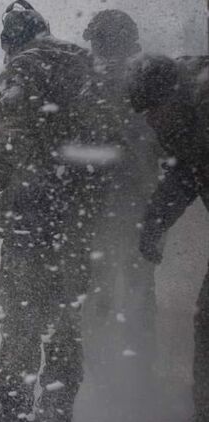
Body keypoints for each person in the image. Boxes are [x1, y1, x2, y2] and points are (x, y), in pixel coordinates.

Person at [0, 1, 102, 420]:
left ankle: (15, 411)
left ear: (9, 42)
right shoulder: (84, 64)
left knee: (22, 322)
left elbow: (11, 137)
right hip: (80, 219)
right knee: (65, 326)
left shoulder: (23, 67)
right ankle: (57, 411)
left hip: (32, 218)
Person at [80, 10, 163, 420]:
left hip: (99, 213)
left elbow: (76, 150)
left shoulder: (87, 85)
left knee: (96, 301)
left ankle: (102, 387)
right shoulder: (153, 81)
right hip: (141, 211)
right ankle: (137, 385)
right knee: (137, 299)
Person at [129, 54, 209, 422]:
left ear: (170, 96)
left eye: (153, 110)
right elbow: (184, 173)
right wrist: (154, 225)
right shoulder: (184, 119)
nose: (150, 121)